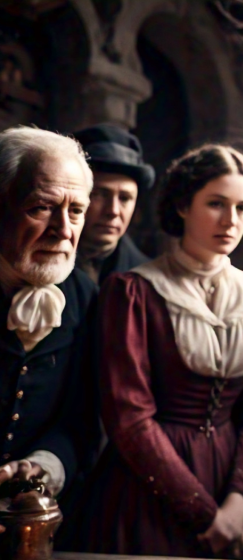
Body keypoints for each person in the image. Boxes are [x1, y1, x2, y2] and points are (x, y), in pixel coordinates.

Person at [83, 144, 243, 560]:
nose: (231, 221)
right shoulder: (133, 292)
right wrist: (205, 515)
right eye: (216, 204)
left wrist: (237, 503)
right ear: (181, 205)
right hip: (151, 483)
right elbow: (128, 417)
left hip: (239, 483)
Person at [0, 126, 98, 506]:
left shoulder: (85, 295)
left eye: (76, 211)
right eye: (41, 207)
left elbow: (82, 419)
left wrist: (44, 465)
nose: (63, 230)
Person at [74, 124, 155, 284]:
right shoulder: (37, 266)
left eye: (125, 198)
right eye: (99, 195)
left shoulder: (148, 278)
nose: (113, 211)